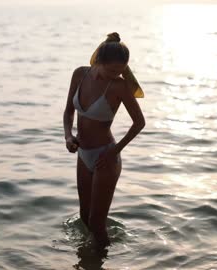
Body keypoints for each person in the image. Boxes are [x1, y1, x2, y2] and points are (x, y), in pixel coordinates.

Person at [63, 32, 145, 249]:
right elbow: (68, 112)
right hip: (83, 154)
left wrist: (114, 151)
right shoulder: (80, 74)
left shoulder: (119, 86)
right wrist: (68, 136)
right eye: (111, 70)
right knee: (84, 216)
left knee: (98, 225)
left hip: (106, 156)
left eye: (120, 71)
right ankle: (86, 260)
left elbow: (139, 123)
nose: (115, 75)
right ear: (98, 61)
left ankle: (100, 259)